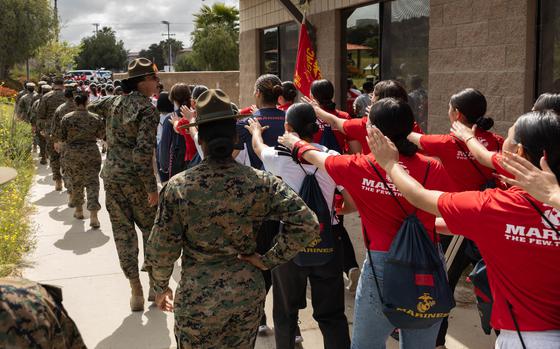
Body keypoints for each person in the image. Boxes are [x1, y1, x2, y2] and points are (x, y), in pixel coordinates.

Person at [367, 110, 560, 349]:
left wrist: (390, 164)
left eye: (508, 137)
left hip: (528, 339)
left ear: (520, 152)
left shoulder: (494, 207)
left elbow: (421, 196)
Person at [146, 89, 319, 349]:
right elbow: (307, 223)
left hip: (197, 300)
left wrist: (161, 286)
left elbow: (161, 248)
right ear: (236, 136)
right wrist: (268, 260)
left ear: (200, 138)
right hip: (246, 298)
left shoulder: (179, 187)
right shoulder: (260, 182)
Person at [278, 98, 456, 349]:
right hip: (428, 263)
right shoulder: (434, 168)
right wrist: (422, 226)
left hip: (381, 266)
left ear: (373, 131)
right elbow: (454, 222)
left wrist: (293, 141)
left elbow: (318, 157)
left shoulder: (360, 166)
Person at [245, 103, 351, 349]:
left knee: (285, 312)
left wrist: (256, 131)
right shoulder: (333, 159)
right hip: (328, 240)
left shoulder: (278, 158)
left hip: (290, 242)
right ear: (315, 129)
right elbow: (351, 203)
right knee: (332, 314)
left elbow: (258, 148)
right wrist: (336, 212)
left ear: (287, 128)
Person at [407, 88, 504, 347]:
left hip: (455, 226)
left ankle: (437, 342)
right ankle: (504, 339)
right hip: (489, 227)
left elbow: (409, 135)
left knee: (443, 287)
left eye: (450, 109)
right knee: (495, 288)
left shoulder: (447, 143)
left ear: (457, 114)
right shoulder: (497, 142)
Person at [88, 58, 160, 311]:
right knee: (151, 230)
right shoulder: (148, 110)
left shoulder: (113, 102)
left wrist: (106, 133)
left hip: (112, 177)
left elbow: (92, 105)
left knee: (123, 234)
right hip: (136, 181)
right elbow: (142, 155)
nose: (157, 83)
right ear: (142, 82)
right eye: (153, 78)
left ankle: (135, 290)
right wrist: (152, 188)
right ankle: (154, 285)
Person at [58, 93, 105, 228]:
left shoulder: (67, 118)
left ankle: (79, 210)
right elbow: (102, 135)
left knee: (76, 182)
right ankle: (94, 216)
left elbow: (62, 137)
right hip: (91, 152)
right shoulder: (95, 118)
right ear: (87, 101)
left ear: (76, 102)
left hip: (72, 154)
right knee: (92, 183)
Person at [37, 77, 67, 190]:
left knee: (54, 157)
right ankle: (67, 179)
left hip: (51, 131)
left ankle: (58, 180)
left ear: (53, 85)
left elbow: (40, 115)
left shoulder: (46, 97)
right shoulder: (69, 97)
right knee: (66, 156)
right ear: (63, 85)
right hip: (66, 131)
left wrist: (41, 129)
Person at [51, 84, 78, 203]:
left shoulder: (60, 109)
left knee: (67, 169)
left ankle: (71, 193)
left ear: (65, 96)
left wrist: (57, 142)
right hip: (85, 144)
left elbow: (55, 128)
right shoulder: (83, 107)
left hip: (67, 145)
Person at [155, 91, 175, 183]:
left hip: (159, 149)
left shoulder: (157, 117)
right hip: (169, 149)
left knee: (163, 180)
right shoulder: (172, 117)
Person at [30, 84, 52, 164]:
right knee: (50, 140)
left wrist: (33, 124)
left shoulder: (37, 102)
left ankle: (43, 157)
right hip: (51, 125)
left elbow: (33, 114)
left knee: (42, 141)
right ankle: (48, 154)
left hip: (41, 124)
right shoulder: (53, 101)